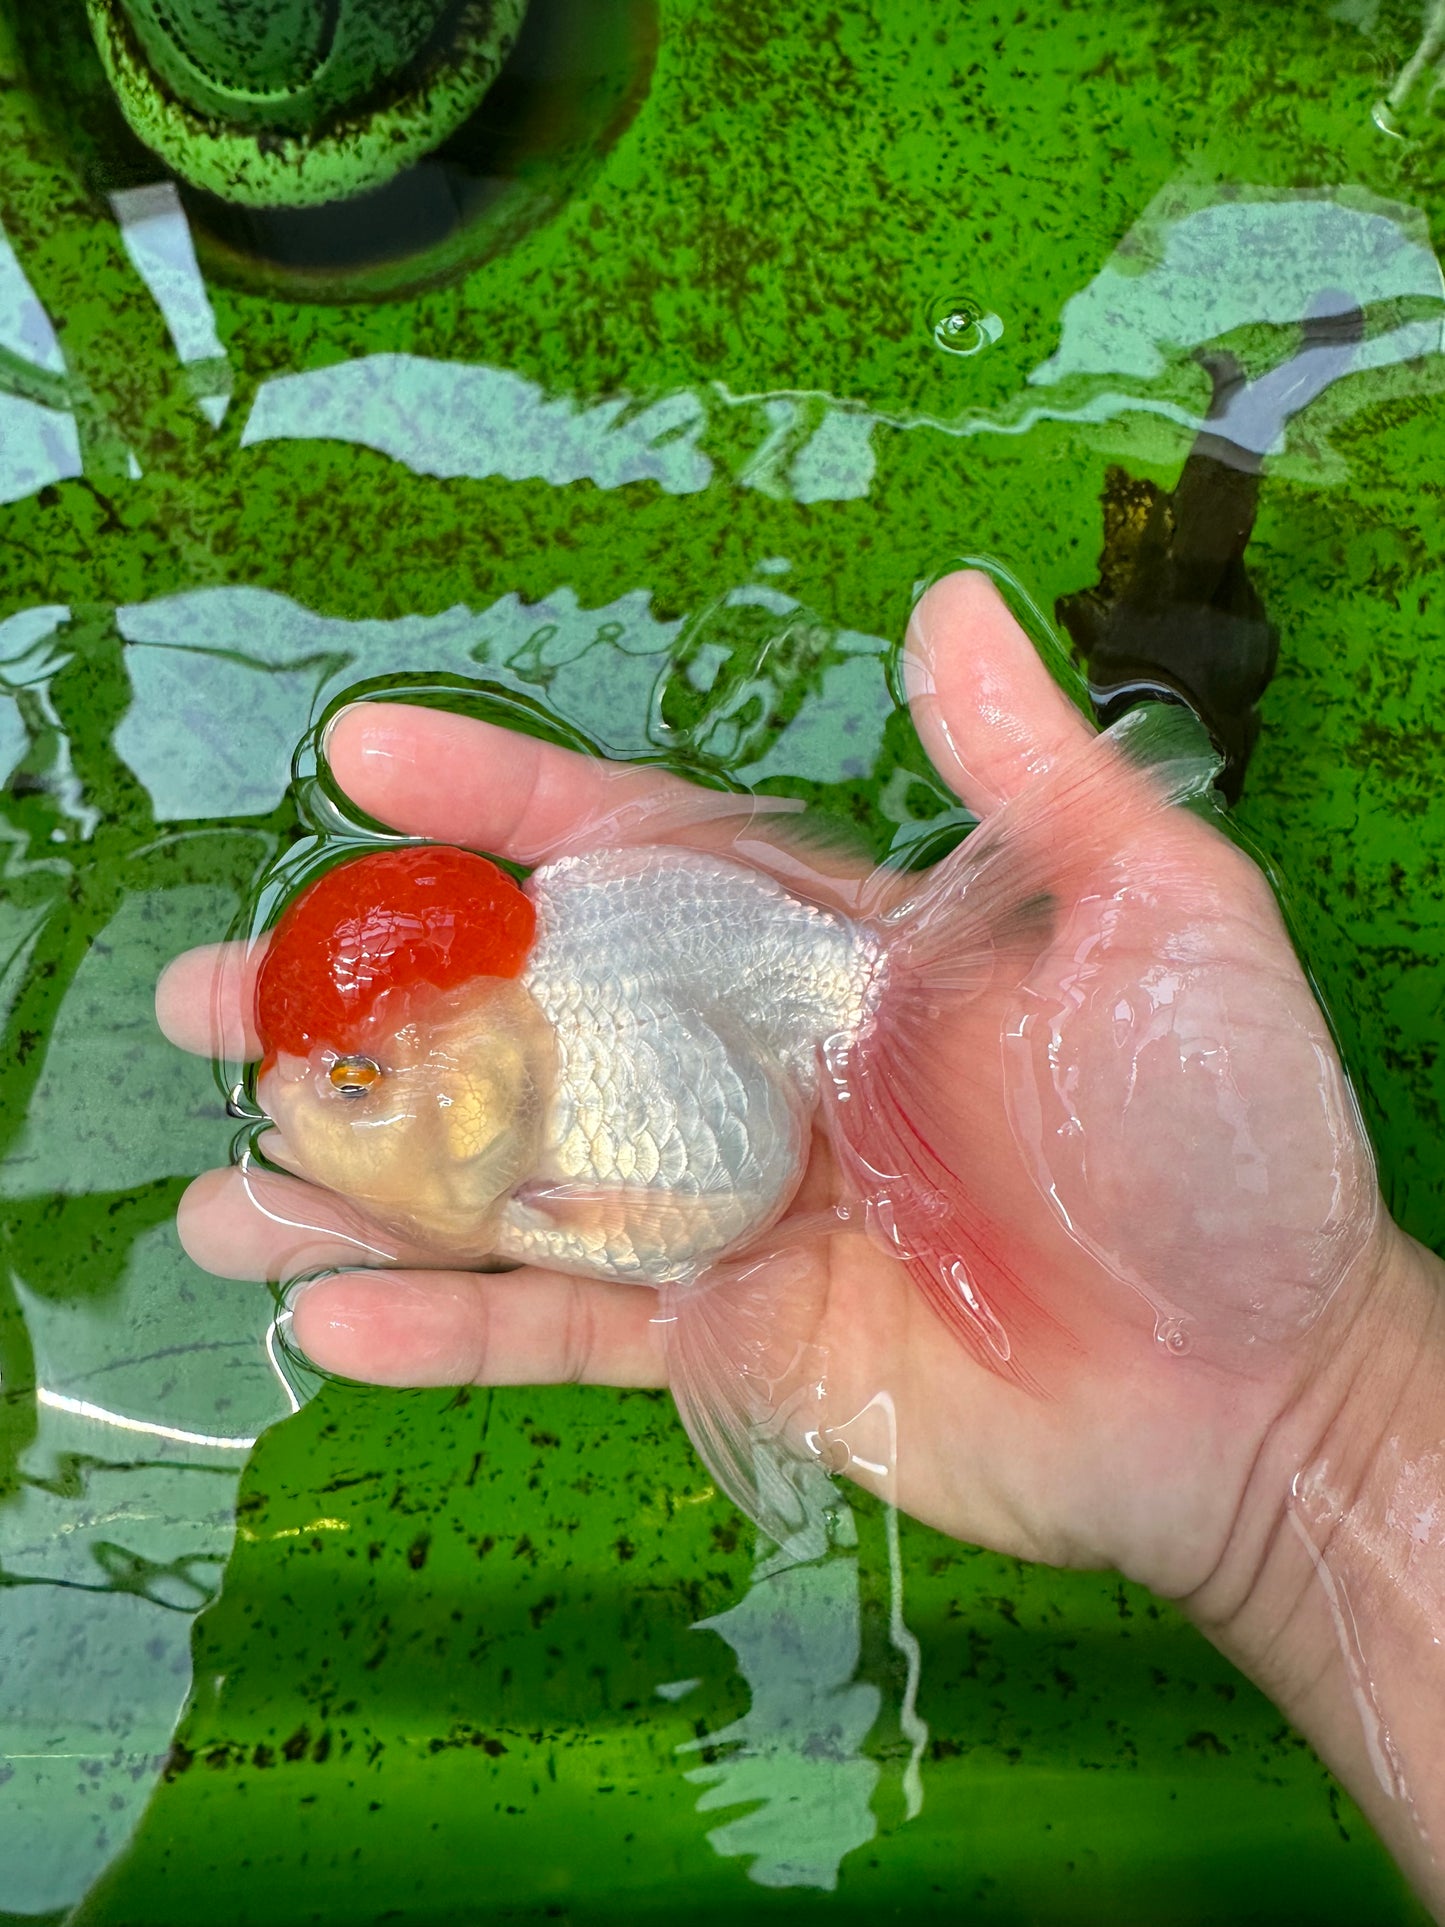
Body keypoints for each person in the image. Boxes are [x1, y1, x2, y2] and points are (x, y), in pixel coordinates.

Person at [157, 570, 1445, 1918]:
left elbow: (689, 1186)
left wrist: (1309, 1417)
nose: (304, 1116)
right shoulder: (521, 1093)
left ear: (460, 1079)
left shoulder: (555, 1092)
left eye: (356, 1084)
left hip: (772, 1078)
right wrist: (1310, 1437)